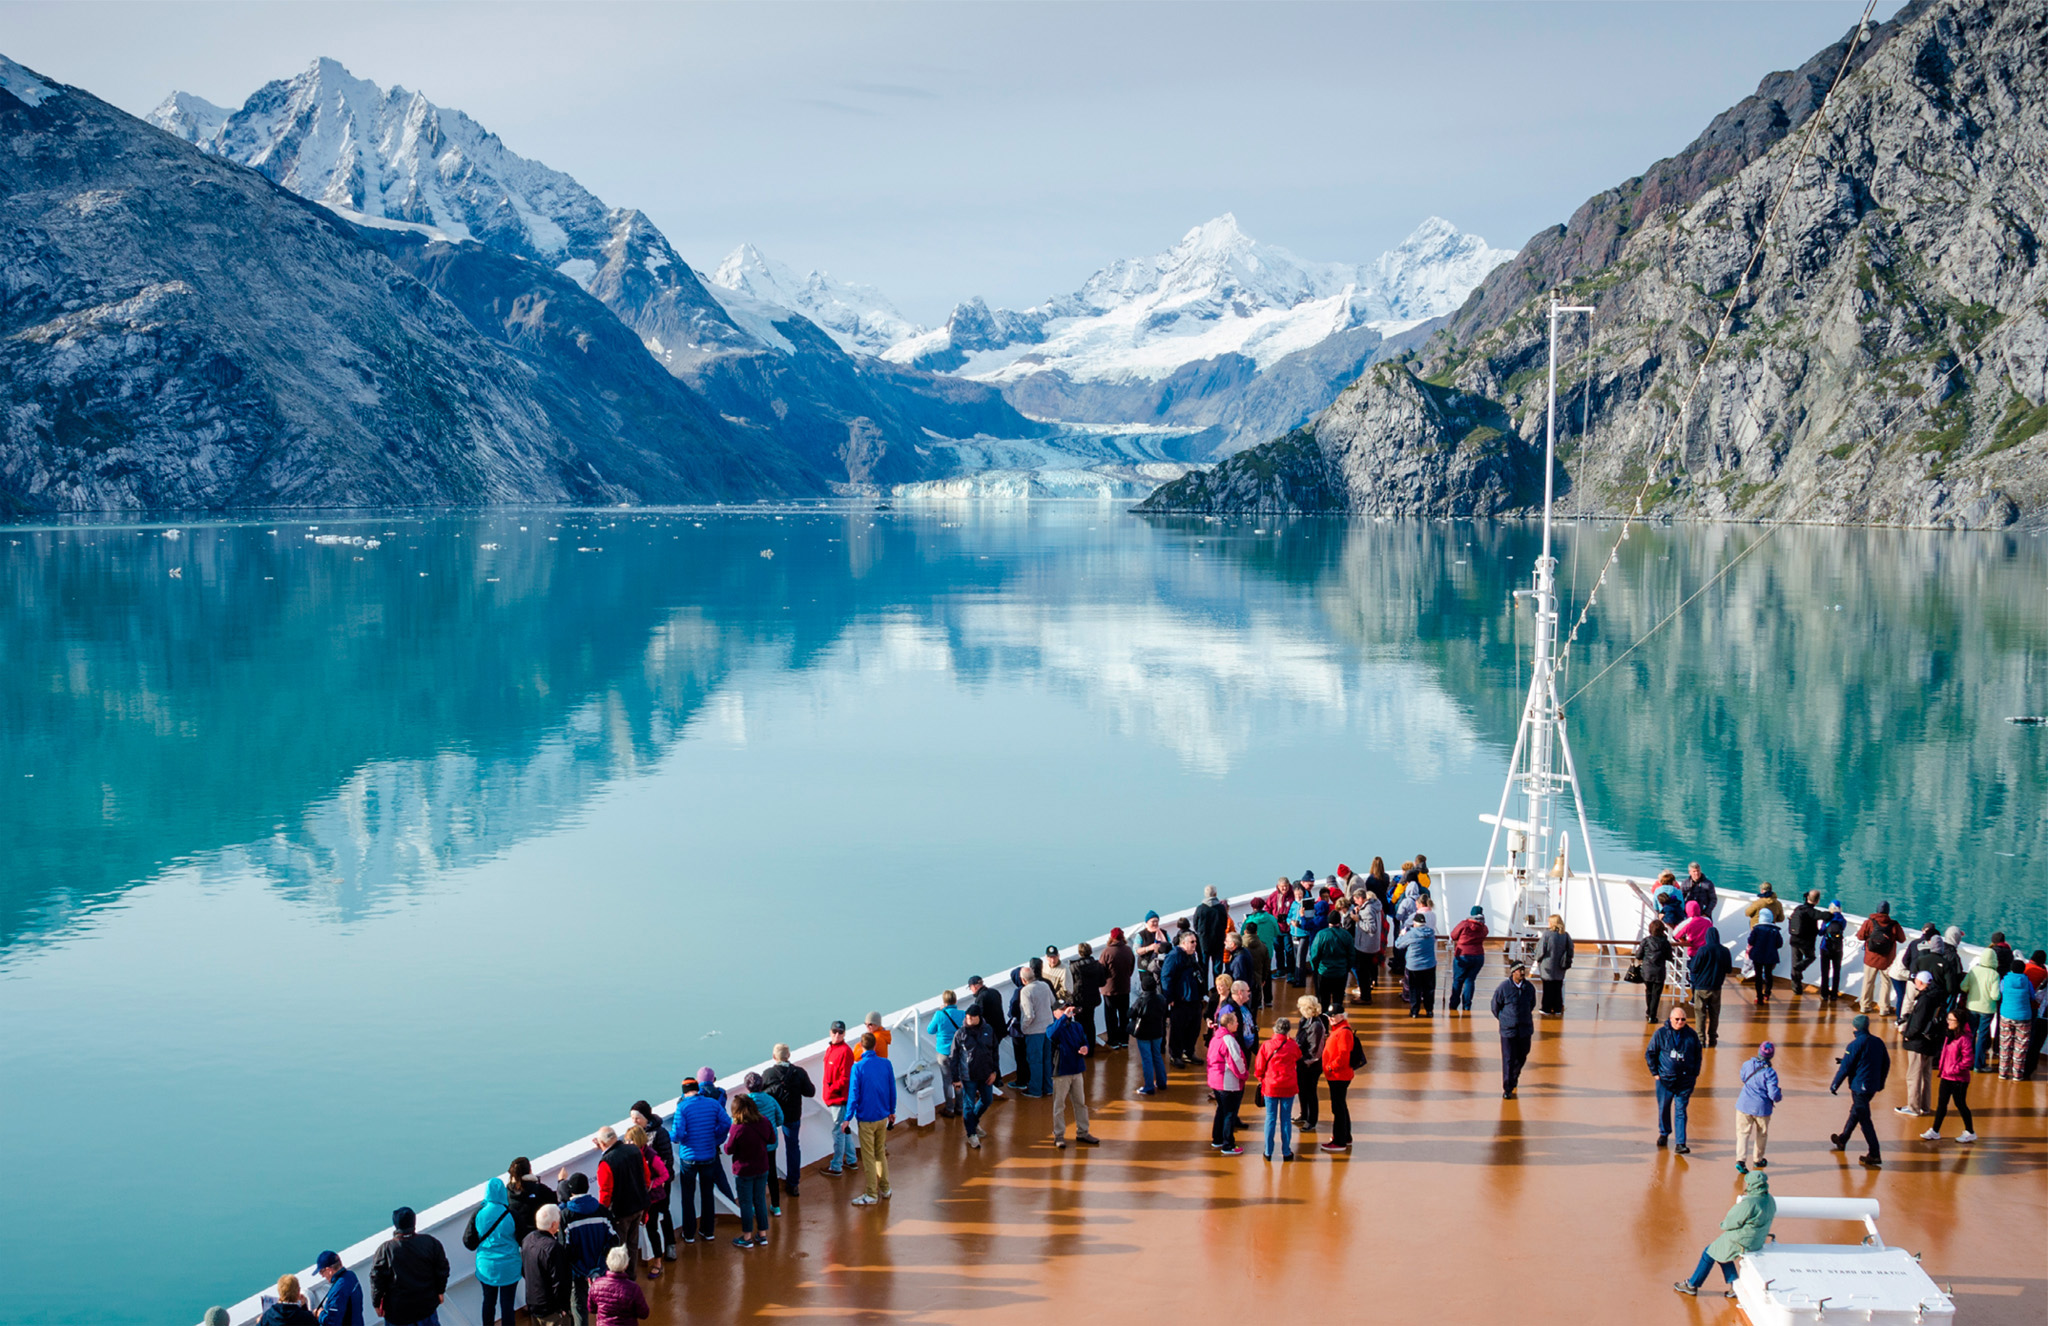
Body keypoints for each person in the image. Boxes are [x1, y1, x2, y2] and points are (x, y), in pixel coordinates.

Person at [1672, 1170, 1775, 1299]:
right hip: (1758, 1239)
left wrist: (1723, 1225)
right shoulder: (1769, 1199)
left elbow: (1730, 1223)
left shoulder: (1749, 1203)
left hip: (1743, 1240)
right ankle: (1734, 1285)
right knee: (1721, 1253)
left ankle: (1692, 1285)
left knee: (1709, 1252)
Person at [670, 1078, 730, 1245]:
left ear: (683, 1091)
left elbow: (677, 1134)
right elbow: (726, 1123)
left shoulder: (682, 1107)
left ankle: (689, 1234)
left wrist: (669, 1137)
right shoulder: (712, 1103)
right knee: (707, 1194)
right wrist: (714, 1135)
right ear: (698, 1088)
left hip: (689, 1158)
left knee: (688, 1196)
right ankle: (707, 1231)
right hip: (709, 1156)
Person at [1828, 1014, 1891, 1167]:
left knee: (1864, 1120)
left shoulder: (1854, 1044)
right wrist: (1880, 1082)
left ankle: (1874, 1153)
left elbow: (1846, 1068)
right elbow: (1885, 1062)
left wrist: (1835, 1084)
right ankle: (1843, 1139)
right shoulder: (1878, 1042)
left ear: (1855, 1027)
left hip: (1859, 1087)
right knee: (1856, 1111)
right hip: (1872, 1086)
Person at [369, 1207, 449, 1326]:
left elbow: (377, 1280)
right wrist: (440, 1291)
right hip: (426, 1307)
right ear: (414, 1222)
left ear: (395, 1224)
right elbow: (442, 1269)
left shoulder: (386, 1250)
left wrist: (376, 1304)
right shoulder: (430, 1243)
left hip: (398, 1313)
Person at [847, 1031, 897, 1206]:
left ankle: (871, 1194)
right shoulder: (886, 1064)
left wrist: (847, 1118)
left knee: (869, 1157)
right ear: (875, 1046)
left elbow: (853, 1095)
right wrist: (892, 1110)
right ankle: (885, 1188)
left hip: (866, 1120)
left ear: (861, 1047)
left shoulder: (858, 1068)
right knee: (880, 1154)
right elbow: (892, 1088)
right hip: (882, 1117)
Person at [555, 1174, 612, 1326]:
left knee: (579, 1306)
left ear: (571, 1192)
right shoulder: (602, 1210)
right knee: (605, 1305)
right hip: (601, 1269)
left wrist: (581, 1268)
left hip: (577, 1272)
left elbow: (564, 1248)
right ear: (588, 1188)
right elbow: (613, 1240)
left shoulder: (566, 1215)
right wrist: (600, 1265)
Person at [760, 1043, 816, 1197]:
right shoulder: (799, 1072)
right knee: (793, 1148)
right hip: (792, 1115)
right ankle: (793, 1184)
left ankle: (767, 1185)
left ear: (774, 1057)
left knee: (770, 1150)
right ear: (788, 1056)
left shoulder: (768, 1074)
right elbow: (810, 1092)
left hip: (772, 1118)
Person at [1645, 1005, 1702, 1154]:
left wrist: (1694, 1073)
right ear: (1670, 1019)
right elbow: (1650, 1053)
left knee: (1681, 1110)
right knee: (1664, 1108)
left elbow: (1698, 1055)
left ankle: (1680, 1143)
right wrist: (1655, 1073)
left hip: (1685, 1081)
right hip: (1664, 1081)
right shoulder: (1661, 1034)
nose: (1680, 1022)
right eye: (1677, 1019)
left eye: (1683, 1019)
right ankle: (1664, 1133)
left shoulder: (1691, 1035)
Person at [722, 1093, 776, 1247]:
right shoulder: (764, 1121)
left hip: (744, 1171)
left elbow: (729, 1149)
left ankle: (746, 1238)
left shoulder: (737, 1128)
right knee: (760, 1200)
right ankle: (762, 1235)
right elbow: (772, 1139)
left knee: (746, 1203)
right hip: (762, 1167)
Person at [1047, 1000, 1101, 1148]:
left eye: (1067, 1008)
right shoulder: (1053, 1028)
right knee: (1059, 1105)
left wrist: (1085, 1048)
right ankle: (1058, 1135)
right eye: (1062, 1009)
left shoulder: (1077, 1026)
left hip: (1077, 1070)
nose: (1067, 1011)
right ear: (1055, 1013)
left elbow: (1085, 1041)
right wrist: (1064, 1017)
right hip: (1062, 1072)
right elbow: (1052, 1035)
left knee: (1080, 1104)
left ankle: (1083, 1132)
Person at [1921, 1010, 1978, 1143]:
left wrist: (1953, 1069)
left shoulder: (1964, 1039)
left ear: (1959, 1023)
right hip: (1947, 1075)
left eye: (1951, 1020)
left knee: (1960, 1104)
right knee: (1942, 1104)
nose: (1948, 1022)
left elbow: (1968, 1061)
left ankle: (1970, 1131)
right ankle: (1935, 1130)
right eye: (1948, 1019)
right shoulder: (1950, 1035)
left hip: (1959, 1079)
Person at [472, 1175, 523, 1323]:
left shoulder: (478, 1214)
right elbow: (522, 1239)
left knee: (488, 1302)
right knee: (507, 1305)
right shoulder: (512, 1214)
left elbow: (468, 1242)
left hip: (487, 1268)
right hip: (509, 1267)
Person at [950, 1003, 1001, 1148]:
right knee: (968, 1105)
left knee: (987, 1100)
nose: (969, 1019)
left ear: (979, 1017)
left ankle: (974, 1121)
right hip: (968, 1076)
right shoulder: (960, 1034)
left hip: (986, 1074)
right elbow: (954, 1057)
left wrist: (995, 1072)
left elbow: (994, 1052)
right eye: (967, 1017)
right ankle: (971, 1134)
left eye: (972, 1017)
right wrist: (956, 1078)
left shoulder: (988, 1030)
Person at [619, 1118, 668, 1263]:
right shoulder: (631, 1154)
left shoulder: (651, 1156)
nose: (627, 1143)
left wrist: (652, 1184)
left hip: (652, 1198)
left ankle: (658, 1261)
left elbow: (664, 1174)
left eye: (630, 1141)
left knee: (652, 1229)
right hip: (639, 1198)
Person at [1255, 1016, 1301, 1161]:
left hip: (1271, 1086)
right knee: (1285, 1119)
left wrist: (1262, 1079)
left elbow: (1259, 1067)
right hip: (1288, 1086)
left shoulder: (1267, 1045)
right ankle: (1286, 1151)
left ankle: (1268, 1151)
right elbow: (1298, 1056)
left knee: (1270, 1118)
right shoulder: (1292, 1046)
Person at [1897, 971, 1943, 1117]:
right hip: (1931, 1041)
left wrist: (1908, 1035)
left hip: (1919, 1043)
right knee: (1926, 1074)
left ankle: (1913, 1107)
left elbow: (1918, 1023)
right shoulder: (1937, 996)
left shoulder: (1924, 999)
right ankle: (1925, 1105)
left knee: (1914, 1075)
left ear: (1921, 983)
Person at [740, 1074, 787, 1215]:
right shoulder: (770, 1099)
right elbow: (780, 1119)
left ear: (747, 1087)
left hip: (752, 1146)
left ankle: (754, 1207)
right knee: (771, 1174)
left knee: (753, 1176)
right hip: (770, 1143)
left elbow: (738, 1123)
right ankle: (776, 1206)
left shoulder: (745, 1103)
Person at [519, 1206, 573, 1326]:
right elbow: (560, 1281)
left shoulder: (527, 1240)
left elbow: (524, 1270)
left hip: (534, 1303)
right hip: (551, 1309)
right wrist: (563, 1307)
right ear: (553, 1224)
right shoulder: (553, 1248)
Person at [1492, 963, 1538, 1098]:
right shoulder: (1503, 988)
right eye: (1519, 970)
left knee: (1523, 1055)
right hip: (1508, 1030)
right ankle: (1507, 1088)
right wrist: (1504, 1019)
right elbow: (1495, 1006)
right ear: (1513, 972)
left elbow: (1532, 1004)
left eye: (1523, 970)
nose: (1522, 973)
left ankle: (1514, 1075)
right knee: (1508, 1059)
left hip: (1525, 1028)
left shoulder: (1529, 988)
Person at [1734, 1042, 1781, 1173]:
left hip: (1744, 1105)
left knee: (1742, 1134)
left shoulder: (1747, 1065)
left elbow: (1743, 1077)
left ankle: (1741, 1160)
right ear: (1771, 1056)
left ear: (1759, 1052)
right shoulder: (1770, 1073)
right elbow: (1773, 1094)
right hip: (1762, 1109)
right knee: (1761, 1135)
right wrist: (1779, 1096)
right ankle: (1758, 1159)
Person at [1206, 1009, 1248, 1155]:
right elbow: (1236, 1061)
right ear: (1229, 1024)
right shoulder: (1229, 1040)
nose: (1238, 1024)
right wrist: (1244, 1075)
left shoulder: (1216, 1038)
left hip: (1216, 1081)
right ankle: (1228, 1144)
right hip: (1228, 1082)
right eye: (1236, 1022)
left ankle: (1217, 1139)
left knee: (1221, 1110)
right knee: (1230, 1113)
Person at [1162, 932, 1206, 1068]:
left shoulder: (1191, 956)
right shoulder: (1174, 957)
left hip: (1194, 999)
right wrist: (1170, 998)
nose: (1195, 944)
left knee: (1194, 1028)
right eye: (1192, 942)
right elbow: (1166, 977)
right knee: (1178, 1029)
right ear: (1183, 943)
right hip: (1180, 1000)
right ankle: (1175, 1055)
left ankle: (1188, 1052)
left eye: (1195, 941)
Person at [1688, 922, 1733, 1048]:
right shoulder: (1725, 951)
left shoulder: (1703, 950)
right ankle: (1712, 1038)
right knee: (1714, 1014)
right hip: (1716, 987)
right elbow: (1729, 969)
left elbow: (1694, 968)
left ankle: (1700, 1039)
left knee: (1700, 1013)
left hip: (1701, 987)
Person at [1321, 1010, 1360, 1151]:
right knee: (1341, 1106)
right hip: (1337, 1075)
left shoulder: (1343, 1032)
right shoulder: (1338, 1029)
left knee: (1338, 1108)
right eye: (1329, 1016)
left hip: (1338, 1076)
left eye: (1333, 1016)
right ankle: (1345, 1136)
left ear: (1341, 1016)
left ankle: (1339, 1141)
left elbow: (1344, 1055)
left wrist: (1331, 1067)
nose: (1330, 1019)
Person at [1856, 902, 1905, 1014]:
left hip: (1870, 959)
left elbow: (1860, 936)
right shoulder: (1894, 925)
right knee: (1886, 983)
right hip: (1886, 960)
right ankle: (1884, 1008)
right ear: (1888, 911)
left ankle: (1865, 1005)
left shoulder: (1869, 922)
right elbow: (1902, 939)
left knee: (1868, 982)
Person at [822, 1020, 856, 1176]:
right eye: (834, 1032)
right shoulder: (831, 1049)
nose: (837, 1035)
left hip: (839, 1098)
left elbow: (845, 1078)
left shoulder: (845, 1052)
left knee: (838, 1131)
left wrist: (831, 1090)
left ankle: (836, 1166)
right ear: (830, 1032)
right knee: (844, 1129)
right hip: (834, 1097)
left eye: (840, 1033)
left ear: (844, 1034)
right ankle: (851, 1159)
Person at [925, 990, 966, 1116]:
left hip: (943, 1052)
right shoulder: (962, 1014)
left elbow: (930, 1030)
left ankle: (949, 1109)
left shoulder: (939, 1015)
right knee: (958, 1079)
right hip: (958, 1052)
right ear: (955, 1000)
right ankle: (960, 1107)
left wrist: (941, 1012)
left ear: (944, 1001)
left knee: (947, 1081)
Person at [1963, 946, 2003, 1073]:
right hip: (1987, 1010)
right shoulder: (1995, 975)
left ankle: (1967, 1061)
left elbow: (1963, 987)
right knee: (1982, 1036)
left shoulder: (1974, 970)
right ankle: (1978, 1065)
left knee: (1970, 1034)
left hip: (1971, 1007)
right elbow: (1995, 995)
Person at [1308, 912, 1355, 1015]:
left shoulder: (1321, 934)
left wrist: (1315, 969)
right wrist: (1346, 968)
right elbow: (1351, 955)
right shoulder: (1346, 935)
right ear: (1339, 921)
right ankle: (1337, 1024)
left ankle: (1324, 1027)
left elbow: (1314, 955)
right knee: (1338, 1001)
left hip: (1324, 973)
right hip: (1340, 973)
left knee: (1323, 1001)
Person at [585, 1248, 648, 1325]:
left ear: (607, 1262)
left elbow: (591, 1309)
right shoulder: (633, 1288)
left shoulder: (596, 1285)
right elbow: (644, 1313)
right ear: (626, 1265)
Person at [1131, 969, 1169, 1094]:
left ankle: (1148, 1087)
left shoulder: (1141, 1001)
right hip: (1157, 1031)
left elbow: (1130, 1013)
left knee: (1147, 1059)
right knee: (1157, 1056)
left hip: (1143, 1033)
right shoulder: (1161, 998)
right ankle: (1162, 1083)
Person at [1293, 996, 1328, 1132]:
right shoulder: (1305, 1020)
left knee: (1311, 1092)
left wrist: (1302, 1060)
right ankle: (1303, 1114)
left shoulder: (1316, 1026)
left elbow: (1314, 1051)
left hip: (1311, 1066)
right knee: (1302, 1090)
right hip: (1301, 1063)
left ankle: (1311, 1120)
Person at [1999, 960, 2037, 1080]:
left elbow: (2001, 991)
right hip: (2024, 1017)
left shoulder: (2005, 980)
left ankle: (2003, 1073)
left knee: (2005, 1045)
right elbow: (2033, 996)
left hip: (2006, 1015)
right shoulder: (2027, 981)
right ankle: (2017, 1075)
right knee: (2020, 1047)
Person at [1397, 908, 1439, 1017]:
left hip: (1414, 966)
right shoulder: (1431, 933)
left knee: (1414, 989)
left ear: (1415, 923)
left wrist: (1402, 934)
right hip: (1429, 965)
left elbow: (1398, 945)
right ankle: (1429, 1011)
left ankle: (1415, 1011)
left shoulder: (1411, 934)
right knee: (1429, 989)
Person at [1445, 906, 1487, 1013]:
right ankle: (1467, 1006)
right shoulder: (1483, 927)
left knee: (1458, 980)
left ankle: (1453, 1004)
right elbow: (1485, 934)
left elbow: (1453, 935)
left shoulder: (1464, 924)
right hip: (1478, 956)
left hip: (1463, 955)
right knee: (1470, 980)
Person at [1101, 927, 1137, 1048]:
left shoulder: (1107, 952)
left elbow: (1102, 971)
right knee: (1123, 1015)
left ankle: (1113, 1040)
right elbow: (1131, 968)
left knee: (1111, 1016)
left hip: (1109, 990)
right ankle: (1124, 1039)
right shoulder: (1128, 950)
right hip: (1124, 988)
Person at [1069, 941, 1109, 1047]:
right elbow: (1102, 982)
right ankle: (1090, 1047)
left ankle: (1081, 1047)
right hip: (1092, 999)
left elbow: (1070, 984)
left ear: (1079, 953)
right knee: (1090, 1022)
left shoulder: (1074, 967)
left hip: (1079, 1000)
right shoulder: (1098, 965)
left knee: (1079, 1023)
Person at [1349, 888, 1384, 1004]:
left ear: (1360, 898)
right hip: (1372, 945)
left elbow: (1371, 928)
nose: (1355, 903)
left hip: (1365, 946)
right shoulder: (1374, 906)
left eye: (1355, 900)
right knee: (1366, 970)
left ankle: (1365, 997)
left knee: (1362, 972)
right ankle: (1366, 994)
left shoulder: (1367, 910)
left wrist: (1357, 920)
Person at [1636, 919, 1674, 1024]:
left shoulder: (1646, 941)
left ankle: (1649, 1012)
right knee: (1656, 994)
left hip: (1647, 971)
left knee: (1648, 991)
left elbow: (1638, 955)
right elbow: (1669, 957)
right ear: (1662, 930)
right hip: (1659, 972)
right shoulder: (1665, 943)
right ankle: (1652, 1016)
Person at [1536, 914, 1572, 1016]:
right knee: (1557, 988)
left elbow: (1541, 950)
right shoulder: (1565, 935)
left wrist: (1537, 958)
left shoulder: (1547, 934)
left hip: (1547, 966)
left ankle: (1546, 1008)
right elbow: (1570, 949)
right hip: (1560, 966)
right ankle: (1557, 1009)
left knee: (1547, 988)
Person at [314, 1252, 363, 1326]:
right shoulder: (351, 1275)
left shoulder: (338, 1290)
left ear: (329, 1270)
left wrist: (320, 1314)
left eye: (321, 1272)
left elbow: (333, 1323)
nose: (322, 1276)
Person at [1747, 909, 1784, 1004]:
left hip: (1757, 955)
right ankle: (1767, 993)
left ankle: (1759, 997)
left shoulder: (1757, 929)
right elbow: (1779, 944)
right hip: (1770, 956)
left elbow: (1751, 941)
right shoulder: (1775, 930)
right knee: (1768, 975)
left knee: (1758, 976)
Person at [1787, 891, 1820, 994]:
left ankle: (1796, 987)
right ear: (1817, 901)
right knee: (1810, 957)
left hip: (1794, 939)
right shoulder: (1813, 913)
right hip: (1806, 943)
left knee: (1795, 961)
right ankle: (1799, 970)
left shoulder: (1798, 909)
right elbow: (1814, 930)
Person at [1193, 885, 1230, 977]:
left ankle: (1205, 989)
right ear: (1215, 894)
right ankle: (1219, 989)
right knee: (1217, 968)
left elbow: (1195, 925)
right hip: (1218, 941)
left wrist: (1201, 934)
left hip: (1204, 942)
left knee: (1204, 967)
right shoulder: (1221, 908)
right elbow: (1225, 924)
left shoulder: (1200, 909)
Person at [1818, 901, 1847, 1002]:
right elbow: (1842, 929)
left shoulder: (1827, 919)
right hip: (1838, 948)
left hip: (1826, 947)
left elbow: (1821, 932)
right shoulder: (1843, 920)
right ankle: (1834, 994)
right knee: (1836, 971)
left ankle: (1824, 994)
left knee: (1825, 971)